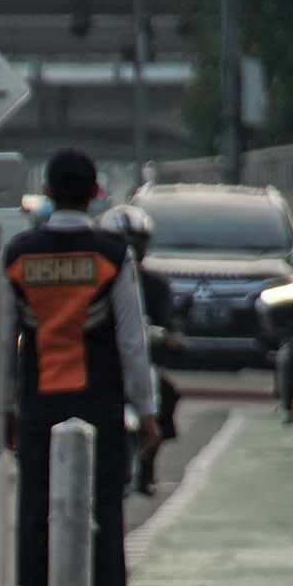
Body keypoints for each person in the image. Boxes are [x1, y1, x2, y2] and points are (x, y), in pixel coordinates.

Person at [3, 149, 158, 586]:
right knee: (103, 510)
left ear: (47, 190)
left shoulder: (19, 254)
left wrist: (6, 407)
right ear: (96, 192)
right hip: (98, 404)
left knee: (35, 511)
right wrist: (147, 410)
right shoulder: (112, 255)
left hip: (39, 404)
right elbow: (133, 342)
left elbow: (3, 340)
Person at [101, 203, 183, 495]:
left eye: (137, 243)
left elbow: (168, 322)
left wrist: (170, 337)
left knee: (166, 394)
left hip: (139, 358)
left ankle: (148, 465)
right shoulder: (98, 274)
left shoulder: (156, 284)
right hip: (103, 361)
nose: (131, 250)